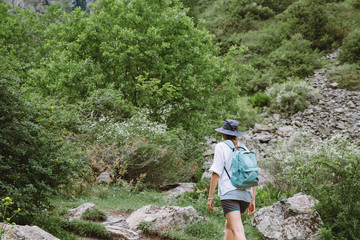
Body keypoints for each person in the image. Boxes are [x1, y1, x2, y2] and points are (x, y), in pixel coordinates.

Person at [207, 119, 256, 240]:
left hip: (230, 194)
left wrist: (210, 197)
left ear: (223, 133)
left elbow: (216, 173)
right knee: (229, 226)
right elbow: (253, 174)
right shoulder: (245, 148)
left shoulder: (221, 146)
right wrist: (252, 199)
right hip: (246, 195)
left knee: (238, 229)